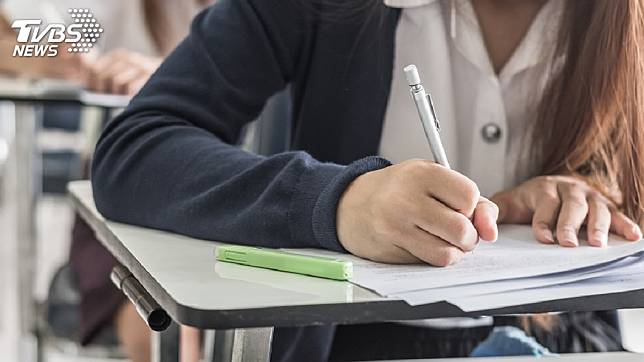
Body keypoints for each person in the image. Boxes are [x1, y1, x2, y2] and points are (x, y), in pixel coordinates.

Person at [90, 0, 644, 360]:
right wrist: (336, 204)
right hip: (343, 344)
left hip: (564, 342)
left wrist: (589, 189)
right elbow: (136, 149)